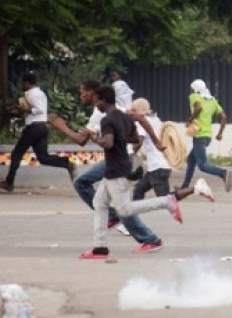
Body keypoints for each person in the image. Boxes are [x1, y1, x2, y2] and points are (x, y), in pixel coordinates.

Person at [78, 85, 212, 260]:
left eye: (96, 100)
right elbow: (134, 137)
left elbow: (109, 143)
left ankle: (168, 201)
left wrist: (98, 140)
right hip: (122, 167)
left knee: (124, 210)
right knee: (100, 203)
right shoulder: (125, 118)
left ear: (103, 100)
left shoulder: (107, 120)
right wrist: (149, 142)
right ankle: (99, 248)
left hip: (116, 170)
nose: (96, 104)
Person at [51, 81, 165, 251]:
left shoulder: (101, 113)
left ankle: (148, 234)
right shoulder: (108, 109)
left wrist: (62, 127)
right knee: (106, 201)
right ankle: (119, 225)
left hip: (119, 158)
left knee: (89, 187)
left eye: (82, 92)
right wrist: (156, 142)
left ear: (93, 94)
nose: (80, 96)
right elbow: (140, 118)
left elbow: (82, 140)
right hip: (120, 157)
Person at [0, 73, 75, 192]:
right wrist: (18, 110)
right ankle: (67, 164)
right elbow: (37, 110)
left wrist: (23, 109)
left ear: (27, 83)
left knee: (17, 153)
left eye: (23, 83)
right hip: (42, 127)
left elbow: (39, 109)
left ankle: (9, 183)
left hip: (34, 128)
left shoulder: (32, 94)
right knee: (43, 158)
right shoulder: (40, 93)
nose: (22, 85)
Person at [129, 98, 190, 201]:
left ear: (138, 111)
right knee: (138, 190)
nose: (131, 114)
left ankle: (196, 189)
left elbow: (139, 141)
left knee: (165, 200)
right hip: (158, 166)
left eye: (133, 111)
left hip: (158, 166)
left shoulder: (141, 122)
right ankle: (133, 215)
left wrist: (131, 152)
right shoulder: (156, 119)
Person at [182, 79, 231, 191]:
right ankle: (184, 186)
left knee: (202, 165)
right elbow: (223, 117)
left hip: (199, 135)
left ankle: (223, 173)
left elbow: (198, 107)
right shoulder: (212, 101)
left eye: (191, 88)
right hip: (207, 136)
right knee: (191, 160)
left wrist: (190, 119)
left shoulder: (194, 96)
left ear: (195, 89)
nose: (190, 90)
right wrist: (220, 133)